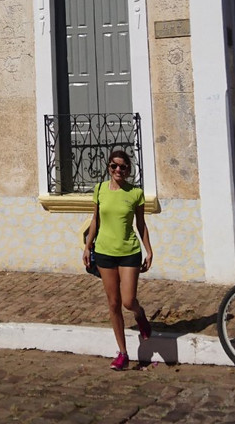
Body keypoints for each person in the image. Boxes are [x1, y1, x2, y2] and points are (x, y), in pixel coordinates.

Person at [82, 150, 153, 371]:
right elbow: (95, 220)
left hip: (129, 251)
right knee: (113, 303)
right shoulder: (100, 190)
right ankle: (123, 353)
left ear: (129, 170)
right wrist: (87, 246)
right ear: (108, 167)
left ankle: (140, 315)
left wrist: (149, 251)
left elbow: (140, 224)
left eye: (123, 167)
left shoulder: (135, 193)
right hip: (104, 252)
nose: (118, 170)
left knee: (128, 301)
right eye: (114, 166)